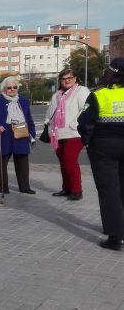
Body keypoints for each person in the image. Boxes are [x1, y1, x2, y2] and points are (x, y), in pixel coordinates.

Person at [78, 57, 124, 251]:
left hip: (104, 147)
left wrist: (88, 142)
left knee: (109, 190)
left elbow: (84, 123)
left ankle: (115, 236)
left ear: (109, 73)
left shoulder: (98, 95)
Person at [0, 76, 36, 195]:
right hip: (4, 135)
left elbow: (29, 118)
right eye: (9, 87)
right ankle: (3, 187)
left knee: (22, 162)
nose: (12, 89)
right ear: (4, 89)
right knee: (2, 162)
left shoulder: (23, 101)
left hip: (21, 133)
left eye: (15, 87)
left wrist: (32, 134)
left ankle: (25, 187)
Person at [44, 68, 90, 201]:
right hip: (58, 133)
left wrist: (76, 123)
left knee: (70, 159)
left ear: (75, 78)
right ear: (61, 80)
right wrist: (48, 123)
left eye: (70, 77)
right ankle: (67, 188)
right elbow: (50, 111)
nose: (67, 80)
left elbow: (85, 108)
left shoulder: (81, 91)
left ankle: (77, 190)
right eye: (64, 78)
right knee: (63, 162)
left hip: (74, 132)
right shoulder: (56, 94)